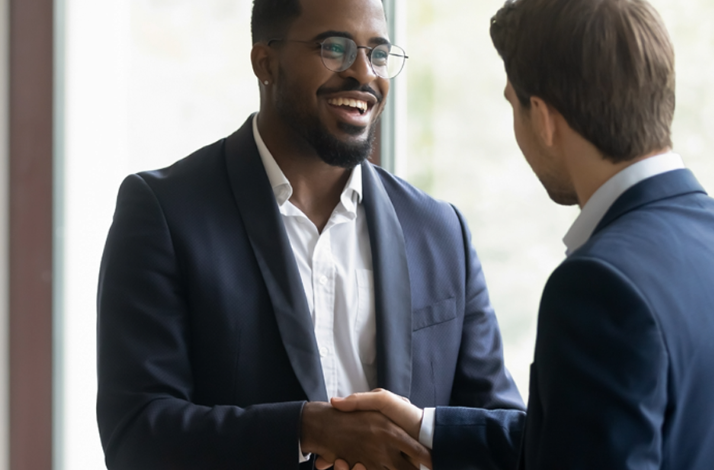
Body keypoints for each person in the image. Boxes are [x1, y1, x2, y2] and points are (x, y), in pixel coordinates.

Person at [330, 0, 714, 469]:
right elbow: (592, 435)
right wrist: (430, 429)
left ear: (543, 118)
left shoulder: (600, 286)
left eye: (513, 106)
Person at [95, 0, 524, 468]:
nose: (363, 73)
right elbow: (136, 434)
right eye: (334, 47)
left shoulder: (441, 231)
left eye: (378, 54)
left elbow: (502, 430)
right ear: (266, 63)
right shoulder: (164, 213)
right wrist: (308, 429)